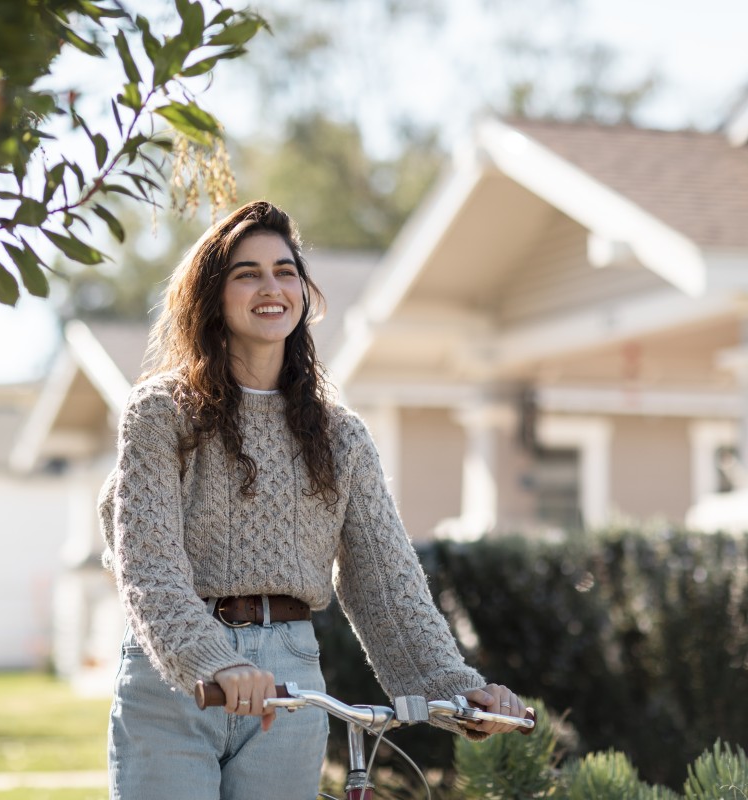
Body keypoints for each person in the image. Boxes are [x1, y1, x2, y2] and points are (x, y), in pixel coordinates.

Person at [98, 201, 527, 800]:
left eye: (285, 270)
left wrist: (454, 688)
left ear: (303, 291)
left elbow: (387, 583)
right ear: (211, 296)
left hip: (290, 679)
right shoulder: (161, 412)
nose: (270, 286)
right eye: (247, 273)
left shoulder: (340, 434)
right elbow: (148, 566)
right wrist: (212, 660)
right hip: (174, 680)